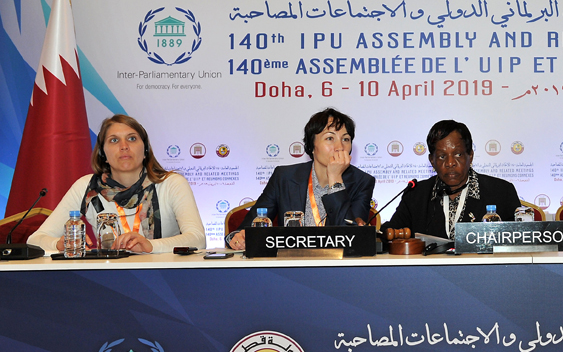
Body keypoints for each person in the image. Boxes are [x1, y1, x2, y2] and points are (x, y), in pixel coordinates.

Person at [27, 115, 205, 253]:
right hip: (109, 280)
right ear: (102, 152)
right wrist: (58, 243)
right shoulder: (87, 188)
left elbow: (197, 239)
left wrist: (150, 246)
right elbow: (35, 240)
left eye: (132, 139)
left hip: (168, 279)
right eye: (114, 140)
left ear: (145, 150)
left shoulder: (170, 184)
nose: (124, 146)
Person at [227, 108, 375, 249]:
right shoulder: (284, 177)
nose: (339, 147)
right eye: (330, 138)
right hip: (289, 264)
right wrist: (238, 238)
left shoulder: (362, 182)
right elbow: (248, 226)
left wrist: (335, 179)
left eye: (346, 139)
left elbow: (352, 239)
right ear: (312, 145)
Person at [384, 120, 521, 239]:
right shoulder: (416, 195)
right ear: (432, 160)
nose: (450, 163)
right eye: (442, 156)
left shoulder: (501, 192)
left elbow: (520, 238)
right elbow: (391, 232)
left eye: (458, 154)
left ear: (470, 156)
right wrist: (372, 232)